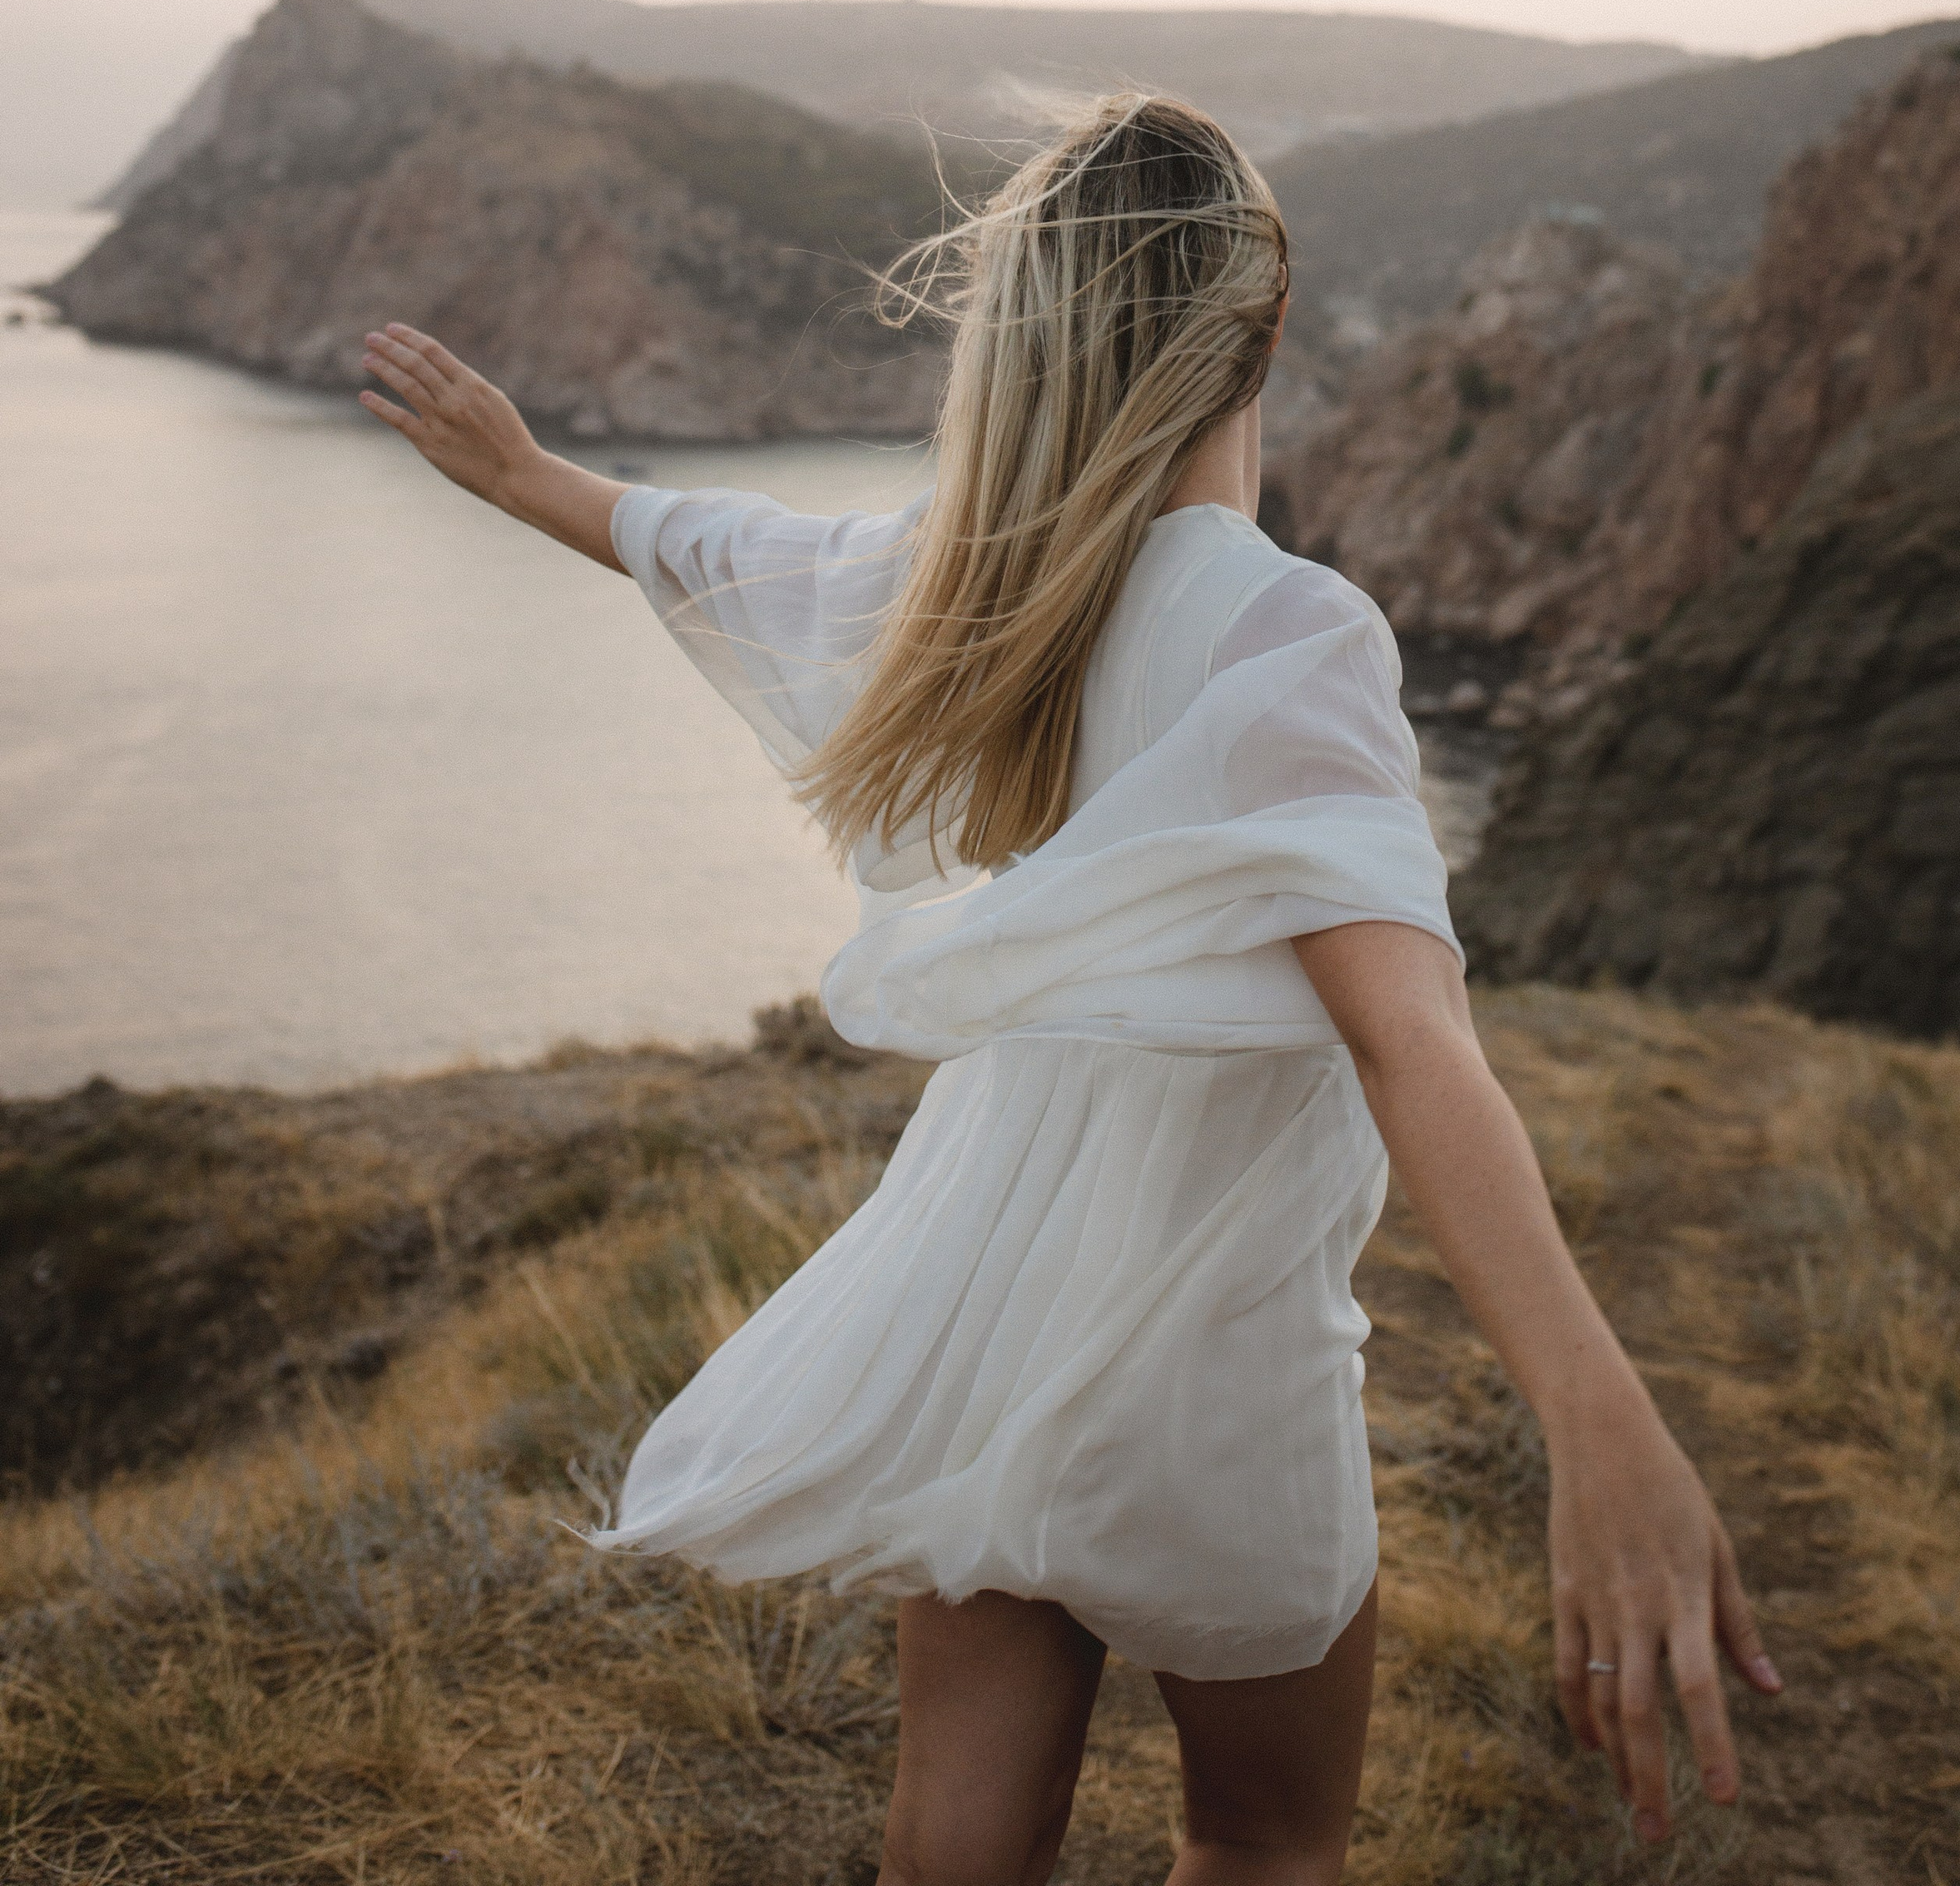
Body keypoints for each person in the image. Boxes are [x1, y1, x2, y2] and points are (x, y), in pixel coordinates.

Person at [360, 92, 1778, 1886]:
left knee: (957, 1847)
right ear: (1262, 331)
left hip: (981, 1312)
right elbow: (1413, 1043)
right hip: (1216, 1353)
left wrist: (525, 472)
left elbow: (718, 544)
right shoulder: (1288, 633)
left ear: (1021, 335)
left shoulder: (957, 594)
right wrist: (1596, 1415)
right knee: (1261, 1843)